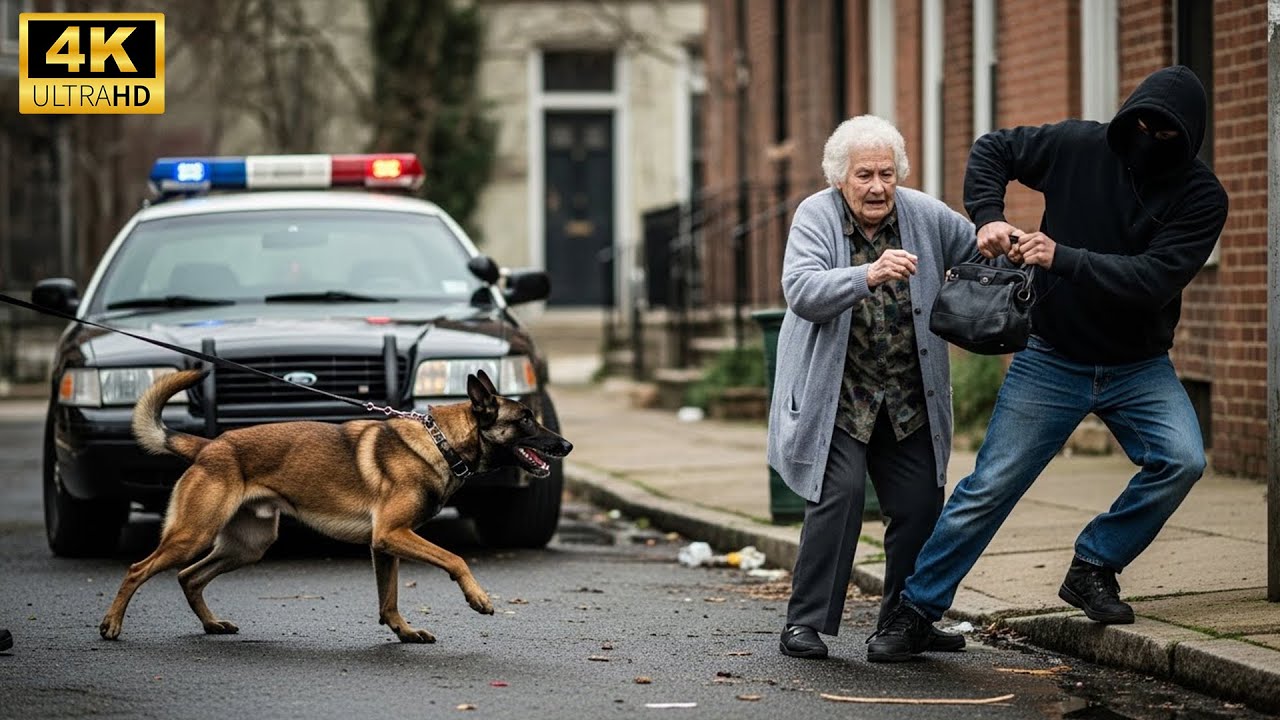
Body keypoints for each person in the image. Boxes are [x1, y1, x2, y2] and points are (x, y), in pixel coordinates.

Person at [866, 65, 1229, 663]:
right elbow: (993, 149)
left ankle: (1094, 563)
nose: (1146, 137)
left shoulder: (1201, 197)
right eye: (1138, 123)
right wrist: (987, 215)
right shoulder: (1080, 146)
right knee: (990, 486)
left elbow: (1155, 280)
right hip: (1052, 357)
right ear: (1126, 116)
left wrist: (1065, 257)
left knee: (1182, 460)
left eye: (1164, 134)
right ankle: (914, 610)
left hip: (1137, 365)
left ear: (1189, 137)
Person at [767, 115, 978, 659]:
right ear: (841, 178)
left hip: (908, 395)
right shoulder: (816, 216)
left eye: (887, 173)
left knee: (919, 504)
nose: (878, 186)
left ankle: (904, 623)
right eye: (864, 175)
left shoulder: (923, 214)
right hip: (837, 394)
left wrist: (1005, 239)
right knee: (837, 499)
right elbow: (802, 290)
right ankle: (805, 622)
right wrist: (868, 274)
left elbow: (974, 248)